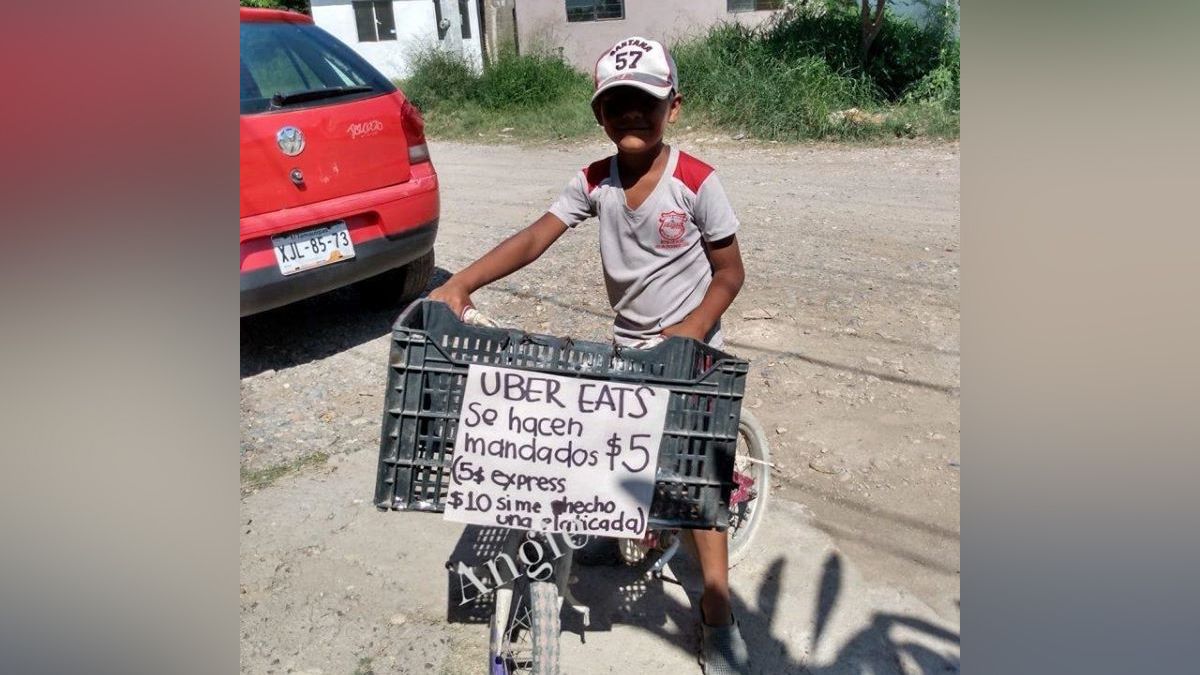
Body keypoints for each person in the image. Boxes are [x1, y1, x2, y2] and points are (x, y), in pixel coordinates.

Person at [429, 36, 750, 673]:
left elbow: (730, 273)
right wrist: (460, 282)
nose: (632, 115)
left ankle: (717, 608)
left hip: (691, 351)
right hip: (629, 347)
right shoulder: (593, 182)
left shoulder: (696, 182)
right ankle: (615, 529)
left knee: (694, 481)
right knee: (603, 451)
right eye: (616, 104)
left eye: (645, 103)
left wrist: (691, 328)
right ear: (599, 114)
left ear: (673, 107)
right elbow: (534, 238)